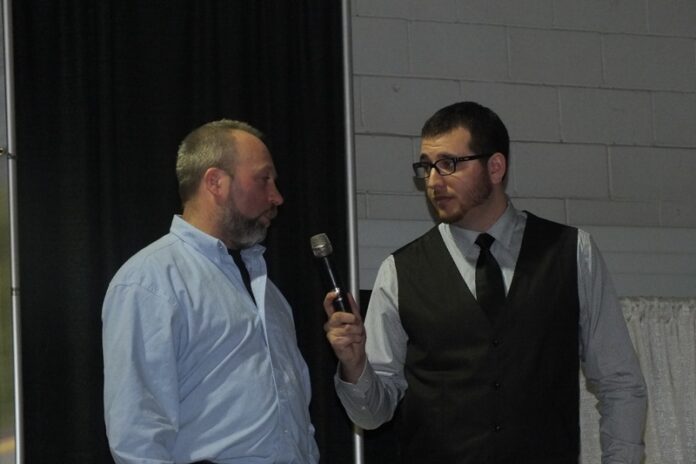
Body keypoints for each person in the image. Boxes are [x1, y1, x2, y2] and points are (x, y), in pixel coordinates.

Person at [324, 102, 647, 463]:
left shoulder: (573, 253)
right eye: (426, 167)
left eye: (448, 164)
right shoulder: (399, 271)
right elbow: (372, 415)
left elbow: (620, 383)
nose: (433, 181)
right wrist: (354, 366)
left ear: (495, 167)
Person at [102, 120, 319, 464]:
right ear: (215, 182)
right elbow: (137, 434)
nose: (277, 197)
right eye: (264, 179)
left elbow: (296, 421)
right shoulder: (151, 280)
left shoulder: (267, 292)